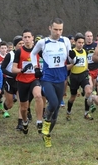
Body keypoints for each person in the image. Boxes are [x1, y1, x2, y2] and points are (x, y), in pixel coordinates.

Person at [30, 18, 72, 147]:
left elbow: (70, 58)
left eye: (60, 29)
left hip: (61, 78)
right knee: (53, 103)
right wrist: (36, 67)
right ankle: (45, 119)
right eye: (55, 29)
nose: (58, 32)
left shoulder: (65, 41)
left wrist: (73, 58)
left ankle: (47, 134)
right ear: (50, 28)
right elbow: (33, 54)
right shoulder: (43, 42)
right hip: (47, 78)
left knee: (57, 110)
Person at [12, 29, 43, 134]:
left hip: (34, 79)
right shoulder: (19, 51)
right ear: (22, 39)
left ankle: (39, 121)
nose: (27, 39)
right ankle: (25, 122)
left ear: (32, 38)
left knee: (38, 96)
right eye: (25, 37)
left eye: (29, 37)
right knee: (24, 108)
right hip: (22, 81)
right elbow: (13, 69)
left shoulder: (38, 50)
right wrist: (22, 70)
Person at [66, 33, 95, 121]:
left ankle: (86, 113)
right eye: (79, 42)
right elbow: (67, 67)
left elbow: (86, 63)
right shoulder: (71, 52)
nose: (81, 44)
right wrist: (74, 63)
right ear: (75, 42)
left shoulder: (85, 51)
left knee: (89, 91)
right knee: (73, 97)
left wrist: (88, 73)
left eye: (82, 42)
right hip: (74, 76)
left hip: (83, 74)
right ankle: (68, 112)